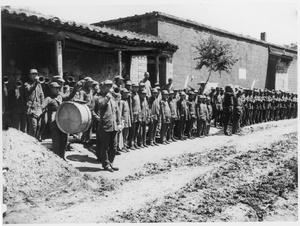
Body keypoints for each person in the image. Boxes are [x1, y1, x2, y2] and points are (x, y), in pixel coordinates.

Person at [41, 81, 80, 159]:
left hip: (63, 122)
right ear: (51, 89)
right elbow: (42, 106)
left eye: (58, 88)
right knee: (56, 142)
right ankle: (57, 159)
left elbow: (69, 97)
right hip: (54, 123)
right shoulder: (48, 99)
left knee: (64, 141)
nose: (58, 89)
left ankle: (62, 157)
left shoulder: (61, 96)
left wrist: (75, 89)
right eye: (55, 88)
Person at [94, 79, 121, 172]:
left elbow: (117, 111)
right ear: (103, 87)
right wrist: (107, 97)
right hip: (105, 126)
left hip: (113, 126)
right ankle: (105, 164)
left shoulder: (112, 99)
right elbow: (101, 104)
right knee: (104, 147)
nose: (110, 88)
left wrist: (119, 123)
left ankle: (111, 163)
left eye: (111, 86)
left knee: (114, 147)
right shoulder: (99, 97)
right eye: (107, 86)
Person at [24, 69, 44, 138]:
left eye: (36, 74)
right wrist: (35, 83)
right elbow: (29, 90)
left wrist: (42, 106)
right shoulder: (26, 84)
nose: (35, 75)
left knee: (39, 126)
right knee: (33, 127)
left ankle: (37, 142)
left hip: (38, 108)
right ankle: (31, 142)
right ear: (29, 76)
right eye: (33, 74)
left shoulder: (39, 85)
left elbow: (41, 95)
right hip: (31, 108)